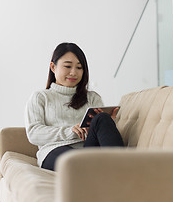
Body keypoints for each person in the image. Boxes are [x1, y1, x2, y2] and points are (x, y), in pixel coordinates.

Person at [25, 42, 124, 171]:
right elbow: (34, 134)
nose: (73, 72)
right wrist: (70, 131)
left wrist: (109, 123)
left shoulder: (93, 98)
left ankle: (123, 172)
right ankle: (107, 172)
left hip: (87, 150)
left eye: (79, 67)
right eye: (67, 66)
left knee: (102, 118)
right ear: (53, 67)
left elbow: (101, 138)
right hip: (54, 150)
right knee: (74, 162)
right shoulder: (40, 97)